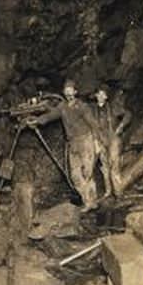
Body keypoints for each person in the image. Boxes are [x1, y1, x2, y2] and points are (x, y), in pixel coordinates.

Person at [26, 79, 100, 212]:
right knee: (75, 175)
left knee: (87, 172)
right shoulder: (62, 107)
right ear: (64, 92)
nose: (68, 92)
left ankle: (91, 202)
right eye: (66, 90)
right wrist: (36, 120)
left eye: (71, 90)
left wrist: (96, 142)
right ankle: (87, 199)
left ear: (75, 92)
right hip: (72, 143)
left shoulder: (82, 106)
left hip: (85, 140)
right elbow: (50, 116)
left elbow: (93, 124)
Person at [92, 84, 132, 198]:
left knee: (115, 166)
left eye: (103, 94)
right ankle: (108, 192)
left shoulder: (113, 108)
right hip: (100, 141)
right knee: (104, 167)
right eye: (98, 94)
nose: (100, 96)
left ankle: (118, 192)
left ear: (106, 97)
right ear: (96, 96)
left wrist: (120, 127)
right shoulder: (92, 110)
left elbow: (128, 114)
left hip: (113, 140)